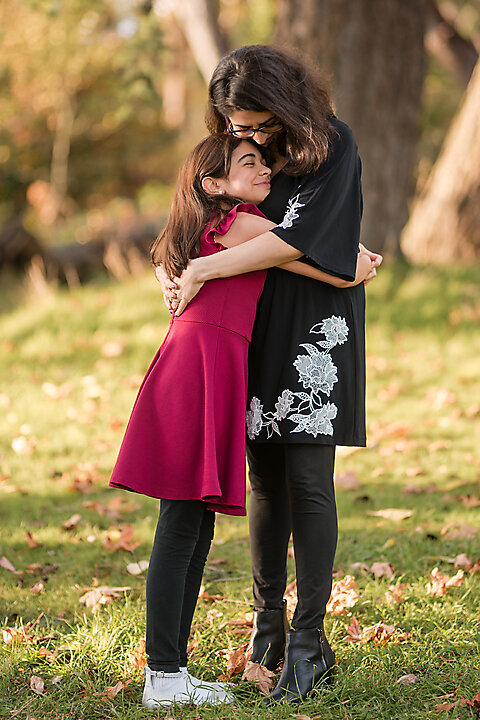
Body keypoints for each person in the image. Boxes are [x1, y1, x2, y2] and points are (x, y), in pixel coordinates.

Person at [110, 133, 375, 710]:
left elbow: (165, 253)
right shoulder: (243, 224)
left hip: (204, 366)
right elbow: (336, 266)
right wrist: (364, 263)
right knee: (180, 527)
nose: (263, 171)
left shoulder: (200, 225)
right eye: (248, 163)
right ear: (214, 185)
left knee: (192, 526)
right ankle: (163, 675)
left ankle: (172, 671)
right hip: (201, 370)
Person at [162, 45, 382, 705]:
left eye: (260, 123)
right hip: (252, 322)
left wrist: (222, 260)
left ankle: (310, 642)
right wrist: (197, 260)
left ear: (283, 104)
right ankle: (269, 633)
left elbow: (294, 238)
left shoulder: (329, 145)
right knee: (264, 480)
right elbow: (210, 224)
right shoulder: (238, 155)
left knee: (310, 479)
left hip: (316, 328)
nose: (251, 137)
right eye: (239, 128)